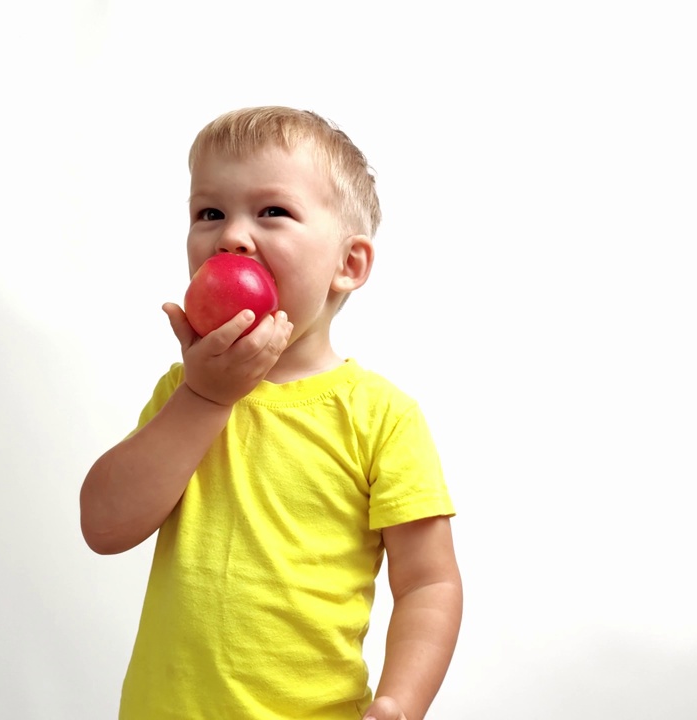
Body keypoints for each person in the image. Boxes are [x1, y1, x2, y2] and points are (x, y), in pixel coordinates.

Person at [79, 106, 462, 720]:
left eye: (272, 212)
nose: (230, 235)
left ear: (349, 264)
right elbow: (103, 525)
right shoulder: (184, 394)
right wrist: (204, 398)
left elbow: (428, 583)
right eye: (210, 213)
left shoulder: (382, 417)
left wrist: (402, 702)